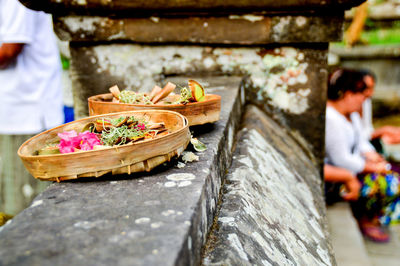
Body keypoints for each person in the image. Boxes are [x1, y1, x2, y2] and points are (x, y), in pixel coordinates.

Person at [0, 0, 64, 215]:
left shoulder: (15, 2)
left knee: (25, 207)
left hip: (28, 112)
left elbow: (9, 50)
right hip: (13, 110)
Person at [325, 68, 400, 242]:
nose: (365, 100)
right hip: (336, 178)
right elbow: (340, 159)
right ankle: (367, 219)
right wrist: (371, 166)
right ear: (348, 94)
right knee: (389, 183)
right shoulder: (331, 119)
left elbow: (361, 142)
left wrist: (371, 155)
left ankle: (373, 218)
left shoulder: (351, 115)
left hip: (353, 168)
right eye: (362, 95)